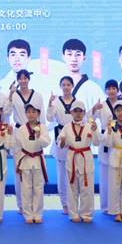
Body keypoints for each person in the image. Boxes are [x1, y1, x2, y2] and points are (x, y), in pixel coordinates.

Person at [8, 69, 45, 215]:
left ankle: (35, 208)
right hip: (19, 133)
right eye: (20, 78)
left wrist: (41, 132)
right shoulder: (14, 95)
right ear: (18, 80)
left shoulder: (38, 95)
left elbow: (42, 117)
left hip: (35, 132)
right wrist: (10, 94)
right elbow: (6, 112)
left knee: (36, 173)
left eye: (25, 78)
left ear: (29, 79)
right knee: (19, 171)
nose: (23, 81)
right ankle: (22, 206)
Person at [57, 101, 99, 223]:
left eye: (80, 111)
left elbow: (97, 142)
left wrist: (95, 130)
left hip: (86, 157)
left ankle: (86, 214)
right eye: (75, 111)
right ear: (71, 112)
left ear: (84, 112)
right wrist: (62, 141)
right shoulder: (66, 127)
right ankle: (73, 214)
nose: (78, 113)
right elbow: (60, 144)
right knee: (72, 188)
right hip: (72, 157)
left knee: (87, 188)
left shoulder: (90, 126)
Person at [14, 99, 51, 224]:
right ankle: (28, 214)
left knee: (38, 188)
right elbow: (18, 145)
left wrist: (39, 135)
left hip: (38, 160)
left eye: (33, 112)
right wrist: (19, 162)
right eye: (28, 112)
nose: (31, 114)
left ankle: (38, 214)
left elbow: (46, 143)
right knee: (26, 188)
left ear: (38, 113)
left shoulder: (43, 128)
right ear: (25, 114)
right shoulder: (21, 129)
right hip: (26, 160)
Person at [45, 76, 76, 215]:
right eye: (63, 84)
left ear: (72, 86)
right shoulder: (56, 102)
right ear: (60, 86)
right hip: (60, 137)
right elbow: (49, 118)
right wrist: (50, 103)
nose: (66, 87)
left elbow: (83, 119)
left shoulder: (77, 102)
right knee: (62, 174)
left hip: (75, 137)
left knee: (74, 172)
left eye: (68, 84)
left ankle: (73, 203)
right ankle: (64, 204)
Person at [90, 80, 122, 213]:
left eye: (114, 88)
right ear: (105, 91)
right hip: (105, 138)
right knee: (104, 174)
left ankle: (117, 205)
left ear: (118, 90)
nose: (111, 91)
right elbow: (89, 119)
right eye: (109, 88)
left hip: (119, 137)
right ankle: (105, 206)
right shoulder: (101, 105)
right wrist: (94, 109)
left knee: (118, 174)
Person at [61, 38, 103, 115]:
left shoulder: (94, 88)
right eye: (69, 54)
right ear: (63, 57)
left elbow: (101, 116)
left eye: (78, 54)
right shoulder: (56, 87)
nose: (74, 59)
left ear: (84, 58)